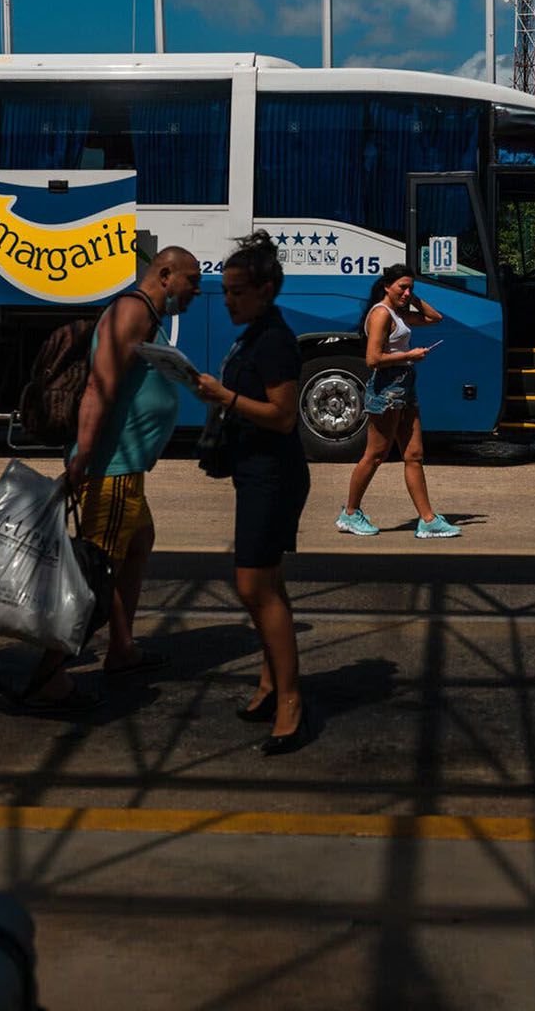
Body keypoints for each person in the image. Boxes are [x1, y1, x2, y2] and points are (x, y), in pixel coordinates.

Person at [2, 246, 204, 714]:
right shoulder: (132, 312)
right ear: (166, 273)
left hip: (125, 468)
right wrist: (84, 458)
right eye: (191, 280)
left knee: (138, 542)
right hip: (110, 468)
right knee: (94, 572)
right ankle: (50, 675)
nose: (197, 290)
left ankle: (122, 649)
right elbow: (98, 385)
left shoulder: (145, 313)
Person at [195, 232, 314, 756]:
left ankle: (290, 701)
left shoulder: (273, 341)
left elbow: (284, 415)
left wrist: (225, 397)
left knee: (252, 587)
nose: (228, 301)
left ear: (266, 290)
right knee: (268, 584)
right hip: (256, 472)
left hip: (274, 475)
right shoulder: (255, 334)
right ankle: (271, 684)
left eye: (237, 292)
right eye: (224, 292)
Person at [335, 265, 459, 539]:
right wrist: (409, 356)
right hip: (387, 388)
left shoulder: (398, 313)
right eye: (402, 287)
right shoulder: (381, 314)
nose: (407, 292)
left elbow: (434, 317)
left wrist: (411, 298)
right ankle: (350, 514)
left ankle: (428, 520)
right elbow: (372, 359)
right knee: (375, 455)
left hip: (404, 386)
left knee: (413, 455)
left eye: (411, 287)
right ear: (386, 287)